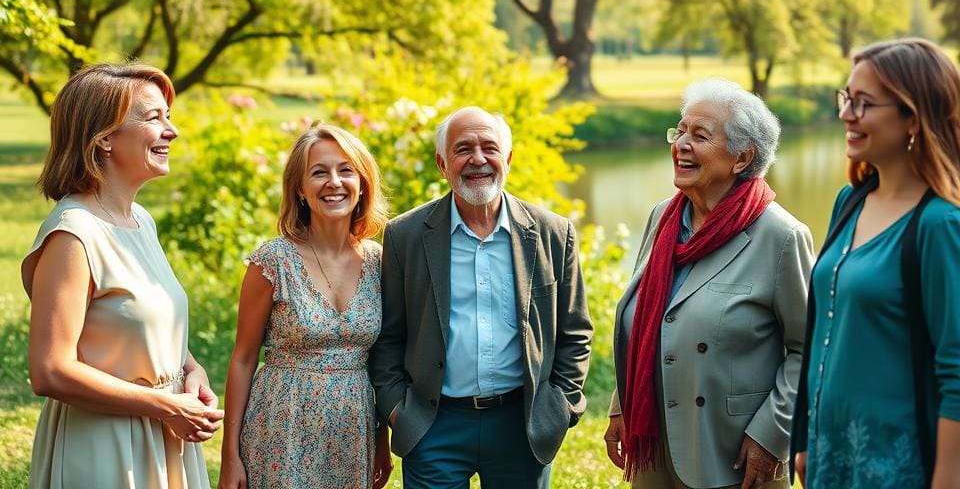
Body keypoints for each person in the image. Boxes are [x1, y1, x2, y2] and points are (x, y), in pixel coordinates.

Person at [605, 78, 814, 489]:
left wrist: (772, 435)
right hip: (654, 446)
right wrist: (622, 406)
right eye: (679, 131)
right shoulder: (661, 218)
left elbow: (807, 349)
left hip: (734, 453)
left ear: (742, 158)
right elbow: (647, 324)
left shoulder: (781, 236)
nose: (681, 144)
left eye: (699, 136)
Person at [369, 106, 593, 489]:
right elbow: (388, 336)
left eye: (489, 147)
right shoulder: (404, 235)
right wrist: (397, 412)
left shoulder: (553, 233)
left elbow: (575, 332)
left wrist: (559, 407)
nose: (477, 159)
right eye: (462, 149)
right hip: (433, 424)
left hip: (521, 425)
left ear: (508, 158)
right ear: (442, 163)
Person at [22, 63, 222, 488]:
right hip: (103, 448)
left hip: (163, 433)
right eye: (154, 117)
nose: (172, 131)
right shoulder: (73, 235)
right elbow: (50, 370)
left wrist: (191, 371)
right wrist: (165, 406)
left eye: (168, 116)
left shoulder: (141, 221)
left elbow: (142, 324)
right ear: (105, 139)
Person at [791, 39, 960, 488]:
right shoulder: (849, 201)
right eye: (846, 99)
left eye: (864, 104)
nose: (847, 114)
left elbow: (957, 370)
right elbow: (825, 331)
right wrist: (805, 442)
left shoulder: (940, 224)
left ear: (913, 117)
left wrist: (947, 478)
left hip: (897, 469)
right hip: (831, 459)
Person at [219, 124, 393, 489]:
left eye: (346, 170)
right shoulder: (273, 260)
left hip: (352, 429)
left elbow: (382, 360)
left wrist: (381, 440)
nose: (334, 182)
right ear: (300, 188)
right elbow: (243, 358)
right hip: (283, 427)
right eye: (319, 172)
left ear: (362, 184)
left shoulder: (380, 262)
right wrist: (230, 457)